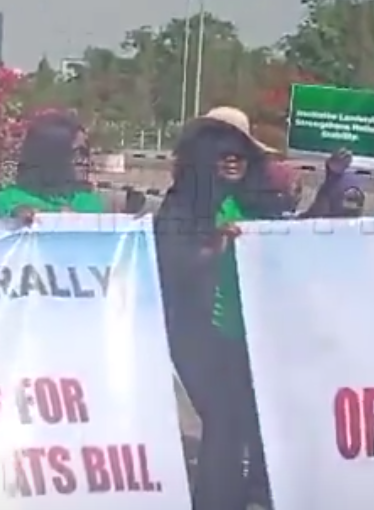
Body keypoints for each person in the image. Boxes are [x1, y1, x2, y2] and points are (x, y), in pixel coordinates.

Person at [154, 106, 272, 510]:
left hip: (246, 333)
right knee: (223, 421)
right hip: (198, 333)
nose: (234, 158)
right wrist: (213, 247)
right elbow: (167, 265)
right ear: (204, 154)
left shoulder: (253, 203)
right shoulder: (180, 206)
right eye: (223, 150)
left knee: (247, 420)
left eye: (241, 151)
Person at [0, 111, 104, 224]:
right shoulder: (7, 201)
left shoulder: (89, 203)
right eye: (75, 152)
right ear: (48, 154)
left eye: (85, 152)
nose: (84, 160)